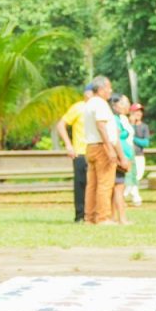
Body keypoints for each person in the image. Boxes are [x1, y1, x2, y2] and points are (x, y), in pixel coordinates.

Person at [83, 76, 127, 224]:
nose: (110, 90)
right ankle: (103, 217)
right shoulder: (101, 104)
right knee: (105, 183)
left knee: (92, 184)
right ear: (101, 89)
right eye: (108, 87)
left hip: (91, 146)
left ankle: (90, 217)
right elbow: (101, 126)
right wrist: (109, 148)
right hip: (102, 146)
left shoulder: (89, 103)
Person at [57, 84, 94, 222]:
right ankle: (80, 215)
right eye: (88, 93)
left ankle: (93, 213)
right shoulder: (78, 107)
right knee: (80, 184)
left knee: (94, 183)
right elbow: (61, 124)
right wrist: (68, 145)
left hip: (95, 150)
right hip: (80, 151)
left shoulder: (99, 108)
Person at [109, 94, 134, 224]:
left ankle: (114, 216)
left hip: (122, 156)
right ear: (115, 105)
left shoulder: (119, 118)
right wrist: (122, 158)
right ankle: (122, 218)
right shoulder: (114, 119)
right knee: (119, 188)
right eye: (124, 103)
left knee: (117, 188)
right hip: (119, 157)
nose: (127, 106)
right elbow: (115, 139)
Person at [126, 103, 150, 206]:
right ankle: (135, 197)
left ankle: (132, 194)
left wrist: (134, 138)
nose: (138, 114)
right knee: (130, 176)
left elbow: (145, 143)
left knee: (138, 175)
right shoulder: (127, 125)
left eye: (140, 111)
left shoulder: (144, 127)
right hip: (129, 155)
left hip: (139, 155)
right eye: (136, 112)